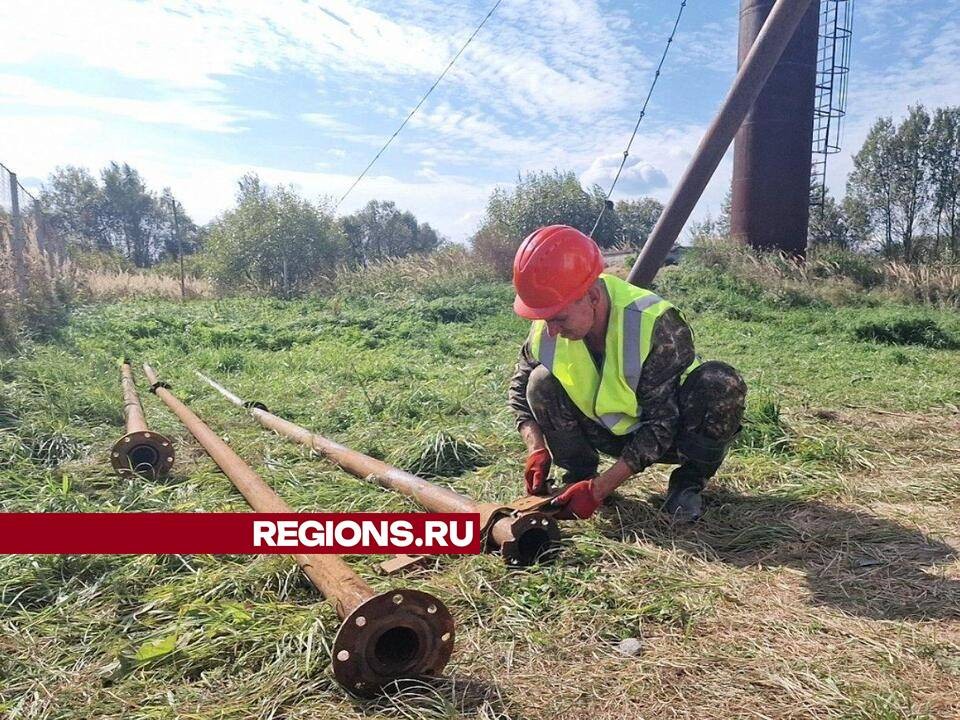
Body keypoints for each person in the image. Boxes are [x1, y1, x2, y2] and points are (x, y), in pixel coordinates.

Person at [507, 225, 747, 522]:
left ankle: (688, 483)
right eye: (544, 318)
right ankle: (579, 476)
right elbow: (519, 388)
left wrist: (600, 489)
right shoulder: (548, 323)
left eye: (559, 318)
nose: (551, 330)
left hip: (671, 436)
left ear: (593, 296)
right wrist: (536, 447)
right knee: (539, 381)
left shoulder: (655, 323)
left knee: (720, 382)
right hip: (605, 432)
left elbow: (662, 424)